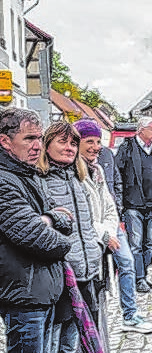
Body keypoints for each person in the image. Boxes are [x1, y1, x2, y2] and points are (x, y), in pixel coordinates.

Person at [0, 108, 72, 353]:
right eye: (29, 138)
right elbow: (34, 236)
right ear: (5, 141)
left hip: (42, 291)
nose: (37, 146)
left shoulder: (28, 175)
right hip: (23, 297)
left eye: (40, 138)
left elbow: (66, 218)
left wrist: (48, 219)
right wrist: (65, 244)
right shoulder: (4, 180)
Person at [76, 120, 152, 335]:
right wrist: (103, 233)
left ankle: (129, 314)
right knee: (98, 279)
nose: (95, 146)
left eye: (98, 141)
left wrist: (112, 227)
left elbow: (111, 196)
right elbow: (80, 214)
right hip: (91, 232)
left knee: (128, 263)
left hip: (110, 226)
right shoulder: (73, 171)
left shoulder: (100, 165)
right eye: (89, 141)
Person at [37, 122, 104, 352]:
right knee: (55, 338)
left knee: (75, 339)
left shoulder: (78, 178)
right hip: (60, 274)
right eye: (62, 142)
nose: (69, 148)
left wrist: (97, 248)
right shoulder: (40, 179)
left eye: (73, 143)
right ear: (47, 146)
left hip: (86, 271)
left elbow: (89, 222)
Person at [115, 116, 152, 293]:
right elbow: (117, 173)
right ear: (141, 130)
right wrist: (120, 203)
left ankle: (143, 274)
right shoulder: (127, 148)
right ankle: (138, 278)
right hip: (133, 204)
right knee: (135, 243)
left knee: (150, 243)